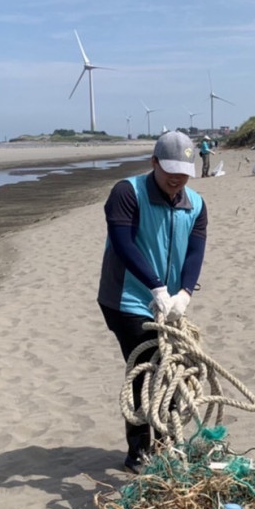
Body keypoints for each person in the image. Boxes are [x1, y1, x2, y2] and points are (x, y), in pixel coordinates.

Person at [97, 131, 208, 472]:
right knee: (146, 372)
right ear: (154, 163)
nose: (177, 181)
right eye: (170, 173)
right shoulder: (127, 193)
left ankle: (166, 443)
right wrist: (156, 288)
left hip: (170, 303)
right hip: (127, 299)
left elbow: (195, 251)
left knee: (173, 370)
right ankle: (139, 453)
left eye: (183, 175)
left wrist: (184, 294)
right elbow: (123, 243)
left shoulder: (197, 204)